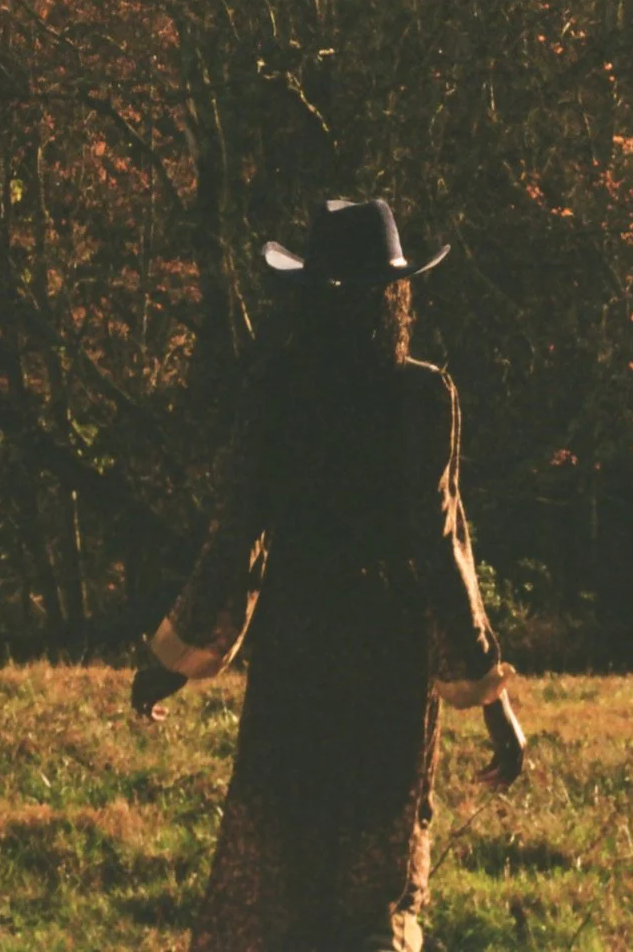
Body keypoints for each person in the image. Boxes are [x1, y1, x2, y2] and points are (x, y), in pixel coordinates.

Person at [131, 198, 526, 952]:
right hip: (386, 655)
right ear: (396, 294)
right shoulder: (419, 396)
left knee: (290, 865)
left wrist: (172, 658)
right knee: (371, 881)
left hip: (298, 651)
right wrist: (490, 697)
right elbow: (441, 548)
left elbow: (236, 537)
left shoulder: (278, 392)